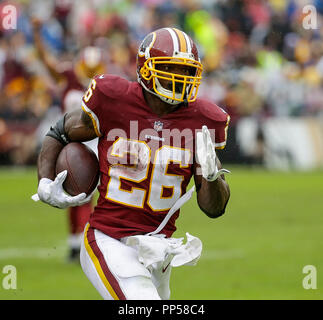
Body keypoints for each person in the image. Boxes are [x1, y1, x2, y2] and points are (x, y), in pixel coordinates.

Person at [32, 28, 231, 300]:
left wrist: (211, 176)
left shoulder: (201, 119)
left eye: (187, 71)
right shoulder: (114, 99)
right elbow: (60, 131)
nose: (180, 78)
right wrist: (44, 180)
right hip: (109, 239)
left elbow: (213, 209)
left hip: (159, 250)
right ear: (146, 68)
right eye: (171, 68)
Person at [32, 18, 106, 261]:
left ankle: (82, 244)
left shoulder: (104, 85)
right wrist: (37, 32)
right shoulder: (69, 76)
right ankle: (75, 244)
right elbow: (45, 61)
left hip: (92, 144)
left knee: (84, 194)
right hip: (66, 141)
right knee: (69, 191)